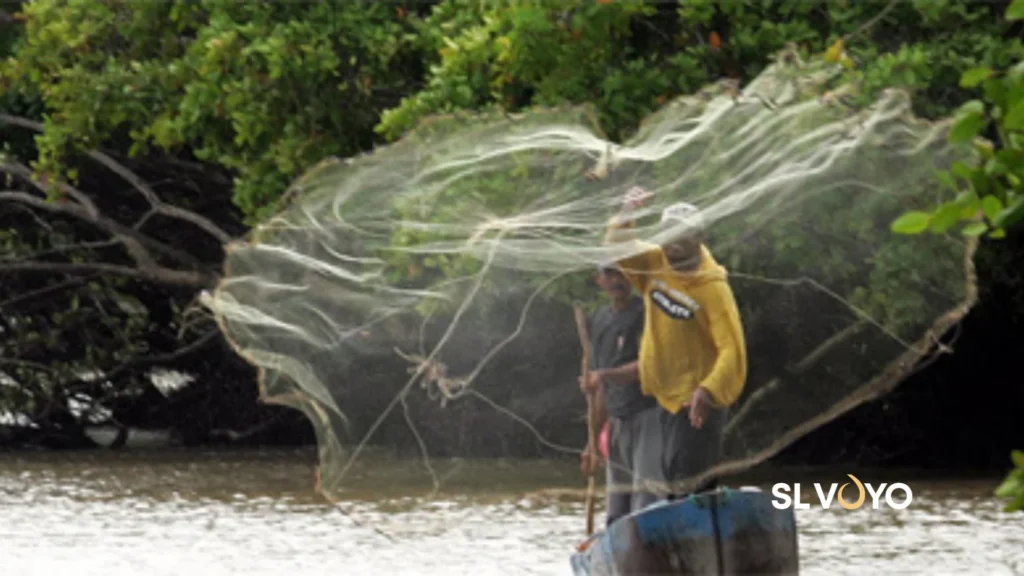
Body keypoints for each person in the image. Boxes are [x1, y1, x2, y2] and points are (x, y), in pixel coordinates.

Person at [581, 185, 747, 498]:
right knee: (673, 476)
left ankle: (697, 536)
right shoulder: (653, 261)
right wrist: (627, 212)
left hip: (699, 400)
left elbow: (731, 350)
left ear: (698, 239)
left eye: (682, 234)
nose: (673, 241)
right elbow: (616, 245)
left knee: (688, 478)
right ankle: (681, 537)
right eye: (667, 232)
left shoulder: (712, 289)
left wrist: (707, 390)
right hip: (667, 395)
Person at [579, 264, 662, 527]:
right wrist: (592, 441)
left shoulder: (647, 313)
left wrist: (604, 375)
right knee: (618, 504)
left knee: (646, 498)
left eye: (624, 273)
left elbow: (648, 366)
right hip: (617, 420)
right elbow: (599, 388)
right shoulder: (601, 320)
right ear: (599, 279)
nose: (618, 280)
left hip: (648, 414)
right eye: (610, 274)